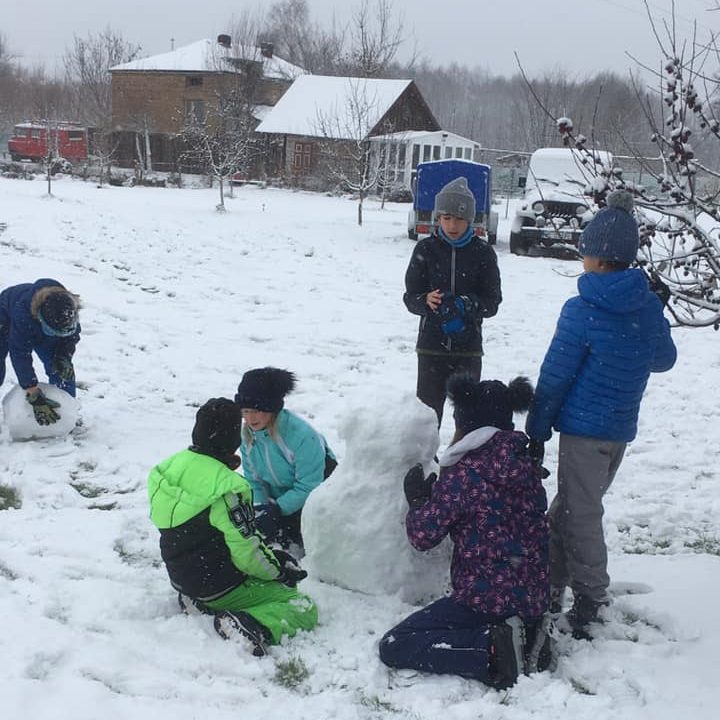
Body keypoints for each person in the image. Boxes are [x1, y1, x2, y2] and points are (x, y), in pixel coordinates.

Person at [525, 189, 677, 639]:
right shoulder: (646, 306)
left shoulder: (582, 310)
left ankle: (592, 599)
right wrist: (658, 312)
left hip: (582, 432)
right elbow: (663, 358)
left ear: (594, 255)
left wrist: (536, 428)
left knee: (581, 514)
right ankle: (549, 584)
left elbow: (554, 376)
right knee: (570, 508)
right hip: (617, 434)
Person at [378, 374, 551, 689]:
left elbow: (423, 537)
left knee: (395, 643)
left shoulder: (465, 474)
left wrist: (419, 503)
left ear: (464, 425)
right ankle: (527, 630)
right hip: (534, 595)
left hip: (486, 597)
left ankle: (496, 650)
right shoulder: (526, 465)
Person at [147, 397, 318, 656]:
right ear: (231, 440)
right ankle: (251, 625)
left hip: (181, 575)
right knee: (300, 603)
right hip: (218, 583)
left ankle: (198, 601)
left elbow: (193, 531)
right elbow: (247, 551)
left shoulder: (167, 468)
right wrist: (278, 573)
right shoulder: (227, 488)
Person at [403, 177, 502, 425]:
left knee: (468, 417)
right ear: (438, 218)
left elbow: (493, 301)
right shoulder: (425, 250)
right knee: (426, 416)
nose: (452, 225)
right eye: (446, 218)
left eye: (458, 218)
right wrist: (425, 300)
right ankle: (425, 463)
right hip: (431, 348)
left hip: (468, 349)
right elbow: (410, 297)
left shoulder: (483, 253)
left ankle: (464, 462)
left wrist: (467, 305)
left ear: (470, 220)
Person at [234, 367, 336, 554]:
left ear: (271, 408)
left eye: (256, 410)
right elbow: (253, 480)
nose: (249, 418)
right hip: (278, 501)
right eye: (245, 411)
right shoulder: (248, 436)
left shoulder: (302, 436)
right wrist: (261, 508)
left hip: (311, 499)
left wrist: (276, 509)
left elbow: (309, 485)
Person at [0, 278, 80, 425]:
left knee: (60, 369)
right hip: (5, 317)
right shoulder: (22, 315)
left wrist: (63, 356)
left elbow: (71, 337)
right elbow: (19, 354)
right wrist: (32, 392)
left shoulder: (67, 310)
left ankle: (68, 413)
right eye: (53, 332)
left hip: (44, 327)